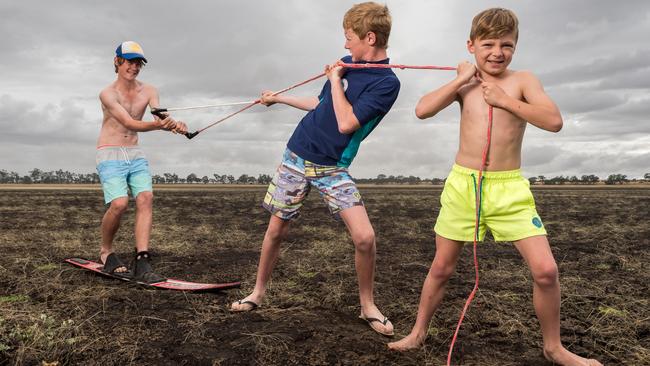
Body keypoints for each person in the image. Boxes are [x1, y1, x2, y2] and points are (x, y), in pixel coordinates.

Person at [387, 8, 602, 366]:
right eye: (488, 44)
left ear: (515, 47)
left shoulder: (523, 81)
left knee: (546, 271)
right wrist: (460, 80)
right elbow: (422, 111)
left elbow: (554, 121)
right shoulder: (465, 84)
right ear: (471, 45)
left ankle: (554, 347)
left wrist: (505, 100)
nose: (497, 52)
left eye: (507, 45)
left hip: (509, 190)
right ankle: (417, 333)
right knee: (441, 267)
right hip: (463, 187)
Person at [230, 2, 401, 337]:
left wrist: (336, 79)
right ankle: (258, 293)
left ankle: (367, 306)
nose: (345, 45)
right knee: (276, 231)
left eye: (349, 38)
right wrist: (279, 99)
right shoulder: (348, 65)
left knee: (365, 237)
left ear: (369, 37)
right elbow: (322, 105)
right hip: (296, 154)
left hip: (332, 167)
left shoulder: (387, 84)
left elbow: (347, 122)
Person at [96, 41, 187, 283]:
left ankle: (142, 260)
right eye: (129, 61)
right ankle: (106, 252)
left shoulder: (149, 90)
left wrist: (174, 124)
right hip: (110, 152)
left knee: (146, 198)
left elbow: (159, 114)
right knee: (119, 204)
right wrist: (161, 126)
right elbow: (130, 123)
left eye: (138, 63)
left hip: (134, 153)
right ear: (117, 61)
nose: (134, 67)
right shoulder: (107, 94)